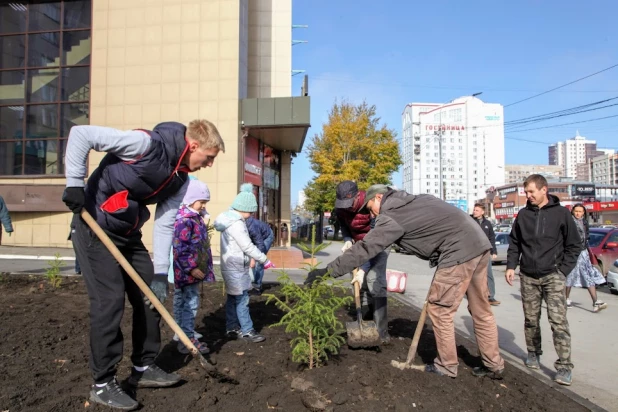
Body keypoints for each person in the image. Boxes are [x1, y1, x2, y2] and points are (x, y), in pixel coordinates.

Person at [61, 120, 224, 411]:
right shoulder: (145, 145)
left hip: (127, 233)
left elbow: (164, 225)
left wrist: (161, 274)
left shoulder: (181, 180)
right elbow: (81, 134)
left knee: (151, 294)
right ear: (195, 145)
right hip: (93, 226)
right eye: (209, 157)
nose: (209, 164)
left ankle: (143, 366)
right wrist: (74, 183)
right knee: (109, 301)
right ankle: (102, 383)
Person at [306, 184, 505, 379]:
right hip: (478, 243)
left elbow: (366, 248)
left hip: (457, 252)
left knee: (440, 309)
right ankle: (494, 364)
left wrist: (327, 272)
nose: (373, 215)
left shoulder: (391, 215)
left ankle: (446, 366)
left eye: (371, 210)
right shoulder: (413, 200)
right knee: (481, 309)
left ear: (378, 198)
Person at [505, 174, 581, 386]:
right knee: (531, 320)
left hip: (553, 277)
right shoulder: (522, 215)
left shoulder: (561, 214)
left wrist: (563, 271)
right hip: (528, 276)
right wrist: (511, 266)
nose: (528, 196)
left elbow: (574, 245)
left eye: (531, 192)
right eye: (526, 192)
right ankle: (533, 353)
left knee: (558, 322)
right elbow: (515, 243)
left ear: (544, 190)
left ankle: (565, 366)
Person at [214, 183, 275, 343]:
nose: (252, 214)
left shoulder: (229, 220)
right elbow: (247, 245)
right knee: (242, 299)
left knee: (233, 298)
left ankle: (232, 327)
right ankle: (247, 330)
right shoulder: (236, 224)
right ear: (245, 209)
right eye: (251, 211)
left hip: (233, 265)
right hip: (235, 267)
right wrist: (264, 259)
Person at [335, 180, 390, 342]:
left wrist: (363, 268)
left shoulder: (371, 203)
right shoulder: (341, 207)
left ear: (357, 196)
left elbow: (376, 238)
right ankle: (364, 320)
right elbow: (343, 224)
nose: (346, 207)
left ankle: (381, 330)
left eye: (348, 203)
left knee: (373, 279)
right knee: (359, 283)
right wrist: (347, 239)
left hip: (378, 242)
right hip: (358, 244)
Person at [171, 179, 215, 355]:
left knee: (184, 302)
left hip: (191, 270)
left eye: (205, 203)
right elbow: (180, 248)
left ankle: (182, 334)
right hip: (188, 272)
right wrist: (191, 268)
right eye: (201, 202)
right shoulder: (184, 220)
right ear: (189, 200)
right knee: (190, 304)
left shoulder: (195, 218)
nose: (203, 206)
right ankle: (188, 338)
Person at [565, 204, 607, 313]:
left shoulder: (584, 222)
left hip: (583, 253)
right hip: (572, 253)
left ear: (584, 213)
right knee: (570, 274)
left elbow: (586, 238)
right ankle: (565, 299)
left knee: (587, 274)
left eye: (580, 211)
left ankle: (595, 301)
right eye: (576, 211)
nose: (578, 213)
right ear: (573, 212)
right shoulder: (570, 222)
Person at [471, 203, 500, 305]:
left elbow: (491, 237)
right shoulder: (470, 221)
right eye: (474, 210)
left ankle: (491, 296)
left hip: (485, 253)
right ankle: (474, 296)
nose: (474, 212)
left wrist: (494, 251)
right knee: (472, 275)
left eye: (477, 210)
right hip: (473, 253)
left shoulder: (487, 223)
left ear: (482, 212)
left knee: (489, 275)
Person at [246, 214, 274, 295]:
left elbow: (260, 245)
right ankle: (250, 284)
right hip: (255, 239)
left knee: (259, 260)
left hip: (266, 236)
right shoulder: (239, 226)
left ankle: (257, 286)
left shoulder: (252, 227)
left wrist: (253, 259)